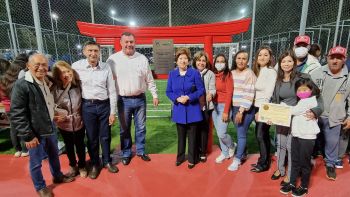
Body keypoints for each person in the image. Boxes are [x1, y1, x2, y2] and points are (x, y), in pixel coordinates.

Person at [10, 53, 74, 197]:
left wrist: (53, 115)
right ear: (28, 66)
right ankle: (40, 186)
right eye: (37, 64)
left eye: (44, 65)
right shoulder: (22, 84)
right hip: (34, 131)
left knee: (53, 155)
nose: (41, 68)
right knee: (36, 161)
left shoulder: (44, 80)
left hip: (49, 125)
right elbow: (17, 113)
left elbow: (45, 103)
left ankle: (57, 175)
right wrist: (28, 136)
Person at [107, 32, 159, 165]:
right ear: (121, 43)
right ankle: (126, 153)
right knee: (124, 128)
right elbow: (108, 82)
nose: (129, 44)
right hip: (122, 100)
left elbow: (149, 78)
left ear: (135, 43)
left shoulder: (142, 58)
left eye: (131, 42)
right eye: (126, 42)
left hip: (140, 99)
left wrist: (154, 95)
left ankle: (141, 151)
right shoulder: (113, 59)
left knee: (141, 127)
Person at [270, 51, 320, 185]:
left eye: (289, 61)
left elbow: (317, 96)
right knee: (280, 145)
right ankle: (280, 169)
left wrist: (315, 111)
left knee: (291, 147)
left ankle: (291, 174)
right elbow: (275, 101)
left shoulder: (303, 77)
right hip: (282, 117)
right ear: (280, 64)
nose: (286, 64)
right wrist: (271, 116)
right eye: (283, 61)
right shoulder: (278, 80)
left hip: (297, 118)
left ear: (294, 62)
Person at [72, 41, 118, 179]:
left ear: (100, 52)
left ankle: (107, 161)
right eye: (90, 50)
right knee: (91, 137)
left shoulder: (106, 67)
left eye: (96, 51)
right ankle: (94, 164)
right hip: (87, 106)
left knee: (105, 136)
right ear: (84, 52)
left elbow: (112, 90)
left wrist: (112, 112)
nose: (93, 53)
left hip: (104, 105)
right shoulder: (76, 67)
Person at [310, 46, 350, 181]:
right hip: (316, 114)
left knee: (332, 142)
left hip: (335, 115)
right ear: (327, 58)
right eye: (332, 57)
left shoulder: (348, 77)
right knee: (311, 140)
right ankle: (308, 161)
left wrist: (349, 116)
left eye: (339, 58)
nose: (335, 61)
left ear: (344, 60)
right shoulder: (316, 73)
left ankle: (330, 164)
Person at [280, 78, 321, 197]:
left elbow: (294, 111)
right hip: (297, 135)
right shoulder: (302, 101)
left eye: (305, 89)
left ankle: (304, 186)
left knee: (304, 163)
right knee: (295, 161)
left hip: (307, 137)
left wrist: (282, 105)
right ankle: (292, 183)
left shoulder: (309, 101)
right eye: (299, 89)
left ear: (311, 90)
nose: (302, 91)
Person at [166, 47, 204, 169]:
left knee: (192, 137)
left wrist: (188, 97)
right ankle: (180, 157)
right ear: (176, 61)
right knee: (181, 137)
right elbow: (168, 91)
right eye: (180, 58)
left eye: (185, 58)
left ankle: (192, 159)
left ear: (188, 60)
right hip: (179, 110)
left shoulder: (194, 73)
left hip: (193, 110)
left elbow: (201, 90)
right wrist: (177, 98)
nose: (183, 61)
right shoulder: (172, 74)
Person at [51, 61, 87, 178]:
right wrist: (56, 116)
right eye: (62, 72)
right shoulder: (55, 88)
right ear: (57, 75)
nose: (66, 74)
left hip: (79, 121)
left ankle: (82, 165)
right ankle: (73, 165)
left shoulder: (78, 84)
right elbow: (52, 105)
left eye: (68, 71)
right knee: (69, 145)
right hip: (64, 123)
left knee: (80, 144)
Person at [228, 50, 256, 171]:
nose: (241, 61)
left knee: (241, 133)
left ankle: (237, 159)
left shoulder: (249, 74)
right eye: (239, 58)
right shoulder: (231, 73)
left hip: (244, 108)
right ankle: (243, 153)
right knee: (239, 132)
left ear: (247, 61)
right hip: (234, 107)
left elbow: (249, 94)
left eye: (244, 58)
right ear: (235, 59)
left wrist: (241, 111)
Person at [251, 46, 277, 172]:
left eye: (265, 55)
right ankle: (263, 160)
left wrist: (262, 111)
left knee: (260, 135)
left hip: (264, 107)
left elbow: (268, 93)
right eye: (260, 55)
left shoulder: (270, 71)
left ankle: (264, 164)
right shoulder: (257, 71)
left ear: (270, 57)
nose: (262, 57)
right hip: (257, 106)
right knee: (263, 135)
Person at [0, 60, 28, 157]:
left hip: (8, 108)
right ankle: (25, 150)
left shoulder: (2, 81)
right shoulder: (14, 80)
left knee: (13, 128)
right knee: (22, 126)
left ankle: (17, 150)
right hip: (17, 106)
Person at [211, 54, 236, 164]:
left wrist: (226, 111)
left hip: (223, 106)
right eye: (218, 61)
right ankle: (224, 153)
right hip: (214, 107)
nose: (219, 63)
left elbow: (229, 93)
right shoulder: (213, 74)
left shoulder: (228, 74)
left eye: (222, 61)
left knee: (222, 133)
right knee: (218, 132)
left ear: (225, 63)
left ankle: (232, 145)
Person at [192, 51, 216, 162]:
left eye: (203, 60)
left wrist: (211, 94)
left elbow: (212, 88)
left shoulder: (210, 74)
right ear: (195, 61)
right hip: (194, 105)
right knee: (194, 129)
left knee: (204, 129)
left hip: (206, 106)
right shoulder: (191, 72)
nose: (201, 62)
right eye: (199, 60)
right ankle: (195, 150)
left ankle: (203, 152)